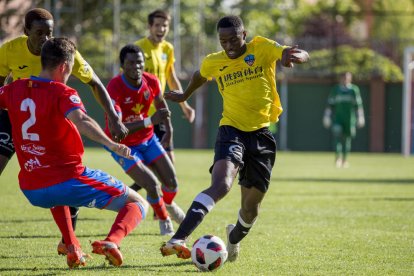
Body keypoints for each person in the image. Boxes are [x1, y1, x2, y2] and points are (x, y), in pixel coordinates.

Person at [159, 15, 309, 262]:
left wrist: (295, 57)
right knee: (221, 185)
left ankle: (234, 237)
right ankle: (178, 238)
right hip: (231, 130)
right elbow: (200, 75)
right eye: (222, 41)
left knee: (251, 210)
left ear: (244, 35)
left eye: (233, 40)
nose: (228, 46)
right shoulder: (214, 61)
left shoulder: (261, 47)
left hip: (261, 135)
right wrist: (185, 95)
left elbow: (298, 53)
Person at [0, 37, 149, 268]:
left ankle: (72, 247)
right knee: (138, 204)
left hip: (32, 188)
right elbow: (82, 119)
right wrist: (112, 144)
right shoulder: (62, 92)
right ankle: (112, 242)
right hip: (69, 178)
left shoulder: (14, 88)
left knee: (58, 194)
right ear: (64, 67)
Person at [104, 44, 185, 236]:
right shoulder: (114, 87)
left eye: (139, 62)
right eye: (130, 63)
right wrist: (150, 120)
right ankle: (164, 220)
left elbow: (161, 106)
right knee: (151, 185)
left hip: (148, 139)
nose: (136, 66)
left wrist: (169, 130)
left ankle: (169, 204)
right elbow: (117, 131)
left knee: (172, 183)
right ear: (122, 65)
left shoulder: (152, 81)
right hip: (122, 146)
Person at [134, 9, 195, 165]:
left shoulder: (168, 48)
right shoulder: (137, 48)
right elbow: (125, 80)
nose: (161, 29)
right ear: (149, 26)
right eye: (157, 25)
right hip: (141, 115)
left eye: (165, 25)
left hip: (159, 112)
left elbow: (172, 78)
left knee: (169, 164)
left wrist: (185, 106)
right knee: (147, 167)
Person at [323, 72, 365, 168]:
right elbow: (330, 104)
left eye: (347, 78)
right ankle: (338, 159)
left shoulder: (354, 90)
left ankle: (345, 160)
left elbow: (358, 105)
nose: (345, 80)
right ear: (340, 79)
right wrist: (327, 116)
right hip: (338, 118)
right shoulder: (336, 90)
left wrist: (361, 117)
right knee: (337, 138)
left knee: (347, 140)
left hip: (350, 119)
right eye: (343, 78)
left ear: (350, 79)